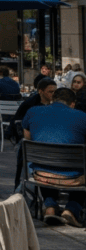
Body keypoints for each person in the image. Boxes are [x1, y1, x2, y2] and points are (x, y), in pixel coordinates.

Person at [21, 87, 86, 227]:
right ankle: (72, 209)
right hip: (73, 179)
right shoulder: (82, 117)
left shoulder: (33, 111)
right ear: (73, 104)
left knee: (45, 163)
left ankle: (50, 207)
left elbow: (27, 138)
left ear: (52, 100)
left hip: (41, 175)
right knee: (78, 167)